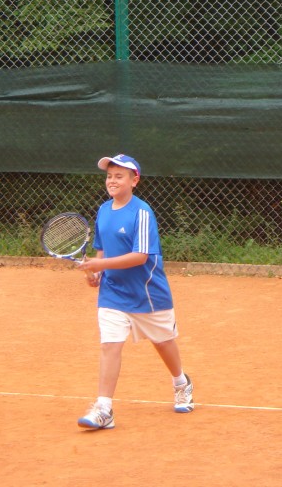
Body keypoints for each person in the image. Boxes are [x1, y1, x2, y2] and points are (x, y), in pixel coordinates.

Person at [76, 153, 193, 430]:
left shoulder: (142, 212)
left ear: (134, 180)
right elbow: (101, 249)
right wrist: (97, 272)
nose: (112, 181)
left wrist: (101, 264)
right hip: (113, 293)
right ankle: (104, 408)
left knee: (163, 342)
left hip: (147, 293)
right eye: (109, 176)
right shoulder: (104, 210)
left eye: (119, 176)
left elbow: (140, 256)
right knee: (110, 345)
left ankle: (181, 382)